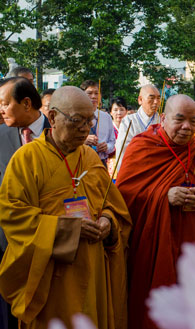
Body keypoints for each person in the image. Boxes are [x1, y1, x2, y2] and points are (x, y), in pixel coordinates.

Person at [0, 86, 131, 329]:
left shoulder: (91, 158)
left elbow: (113, 207)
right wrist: (67, 228)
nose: (85, 129)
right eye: (76, 120)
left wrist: (108, 222)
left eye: (89, 120)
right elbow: (12, 215)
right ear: (52, 117)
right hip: (51, 276)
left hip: (93, 269)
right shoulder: (26, 159)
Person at [116, 94, 195, 329]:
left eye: (193, 121)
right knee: (152, 291)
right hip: (152, 235)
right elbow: (124, 193)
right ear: (163, 118)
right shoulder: (142, 145)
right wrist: (164, 195)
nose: (187, 127)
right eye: (179, 119)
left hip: (190, 233)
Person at [0, 77, 50, 329]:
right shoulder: (0, 136)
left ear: (27, 103)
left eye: (5, 103)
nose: (0, 109)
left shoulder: (62, 133)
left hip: (50, 245)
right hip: (7, 244)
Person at [115, 85, 161, 172]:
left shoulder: (163, 122)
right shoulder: (129, 121)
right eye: (151, 98)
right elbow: (122, 151)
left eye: (158, 98)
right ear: (140, 100)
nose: (156, 102)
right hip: (135, 170)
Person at [81, 80, 115, 166]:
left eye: (96, 93)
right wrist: (83, 140)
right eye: (89, 93)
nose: (93, 96)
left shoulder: (106, 117)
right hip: (81, 161)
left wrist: (106, 147)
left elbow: (112, 142)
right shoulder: (76, 116)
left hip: (101, 162)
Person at [108, 97, 128, 176]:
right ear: (111, 112)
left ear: (126, 111)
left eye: (122, 109)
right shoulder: (107, 128)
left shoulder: (130, 128)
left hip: (127, 164)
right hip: (111, 167)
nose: (119, 113)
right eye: (115, 110)